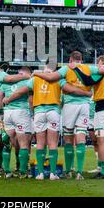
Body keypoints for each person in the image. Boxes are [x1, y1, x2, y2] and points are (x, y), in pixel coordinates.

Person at [3, 61, 91, 181]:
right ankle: (52, 174)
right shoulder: (58, 79)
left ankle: (39, 174)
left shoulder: (35, 79)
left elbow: (19, 91)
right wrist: (86, 93)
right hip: (53, 112)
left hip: (39, 112)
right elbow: (72, 90)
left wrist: (8, 99)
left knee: (40, 143)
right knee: (53, 144)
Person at [32, 51, 94, 180]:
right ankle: (78, 172)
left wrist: (35, 73)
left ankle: (59, 171)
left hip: (61, 107)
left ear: (70, 59)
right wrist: (86, 93)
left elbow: (26, 93)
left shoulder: (41, 76)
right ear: (81, 60)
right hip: (82, 106)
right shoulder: (88, 68)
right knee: (79, 137)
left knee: (65, 139)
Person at [0, 66, 33, 179]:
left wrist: (1, 112)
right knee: (23, 143)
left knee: (7, 143)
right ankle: (22, 172)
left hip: (7, 113)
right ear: (28, 73)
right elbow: (31, 100)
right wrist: (32, 113)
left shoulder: (6, 82)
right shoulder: (28, 81)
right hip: (21, 113)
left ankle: (7, 171)